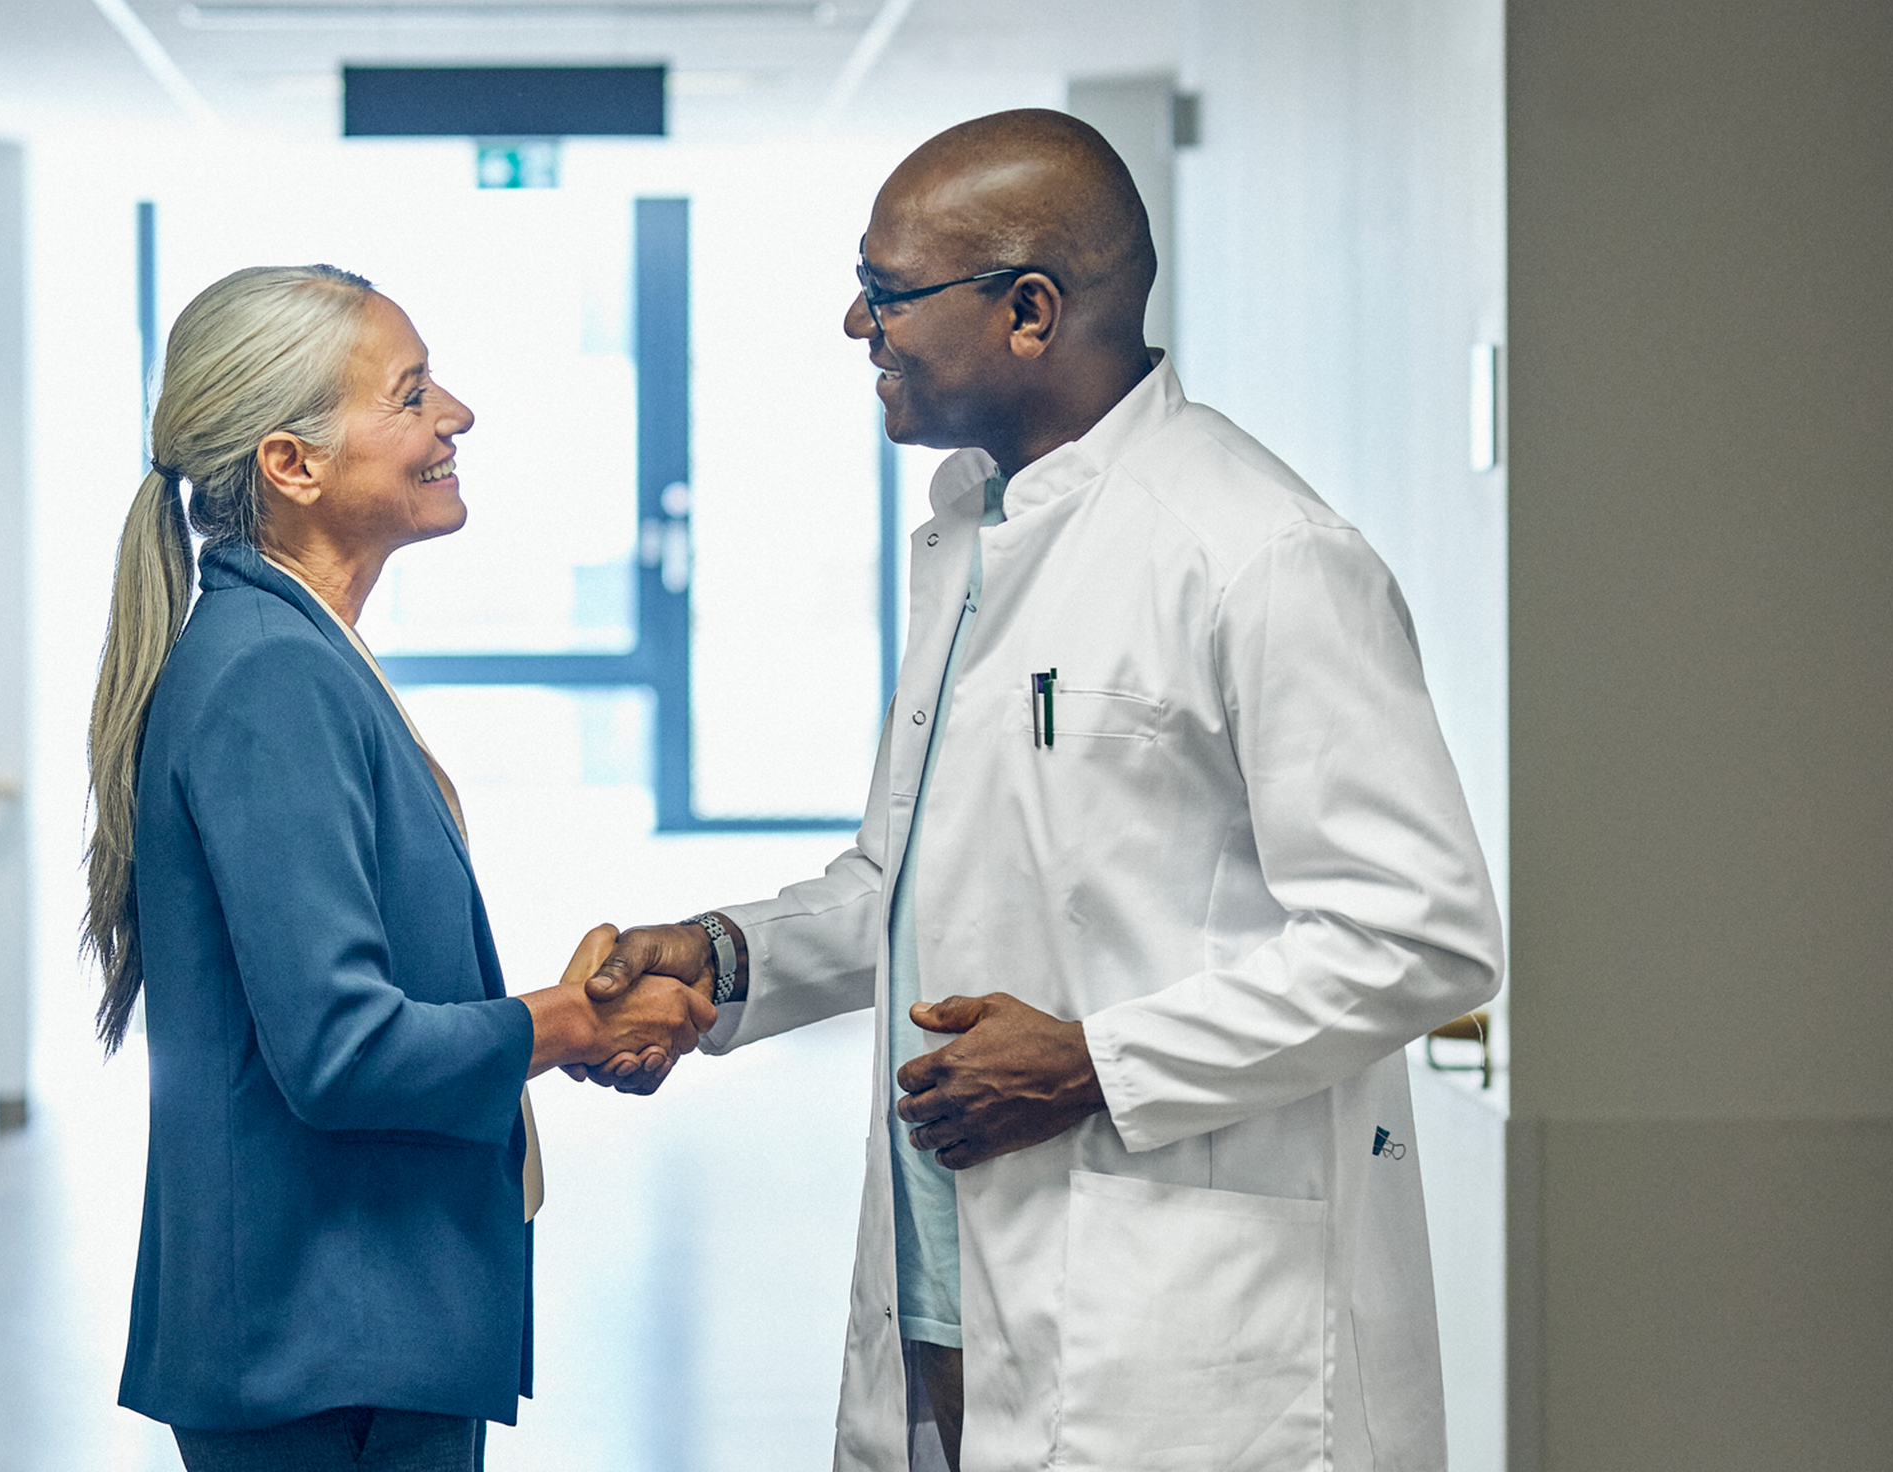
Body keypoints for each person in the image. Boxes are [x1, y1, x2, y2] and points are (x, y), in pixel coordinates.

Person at [587, 109, 1503, 1471]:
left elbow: (1421, 933)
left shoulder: (1259, 552)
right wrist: (729, 960)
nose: (859, 324)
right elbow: (914, 885)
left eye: (889, 291)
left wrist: (1098, 1063)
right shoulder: (975, 532)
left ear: (1030, 312)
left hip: (1172, 1310)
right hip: (957, 1272)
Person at [85, 264, 717, 1472]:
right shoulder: (272, 675)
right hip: (323, 1347)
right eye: (412, 394)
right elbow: (342, 1047)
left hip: (347, 1329)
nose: (457, 416)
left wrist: (560, 1021)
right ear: (293, 464)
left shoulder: (293, 650)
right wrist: (570, 1023)